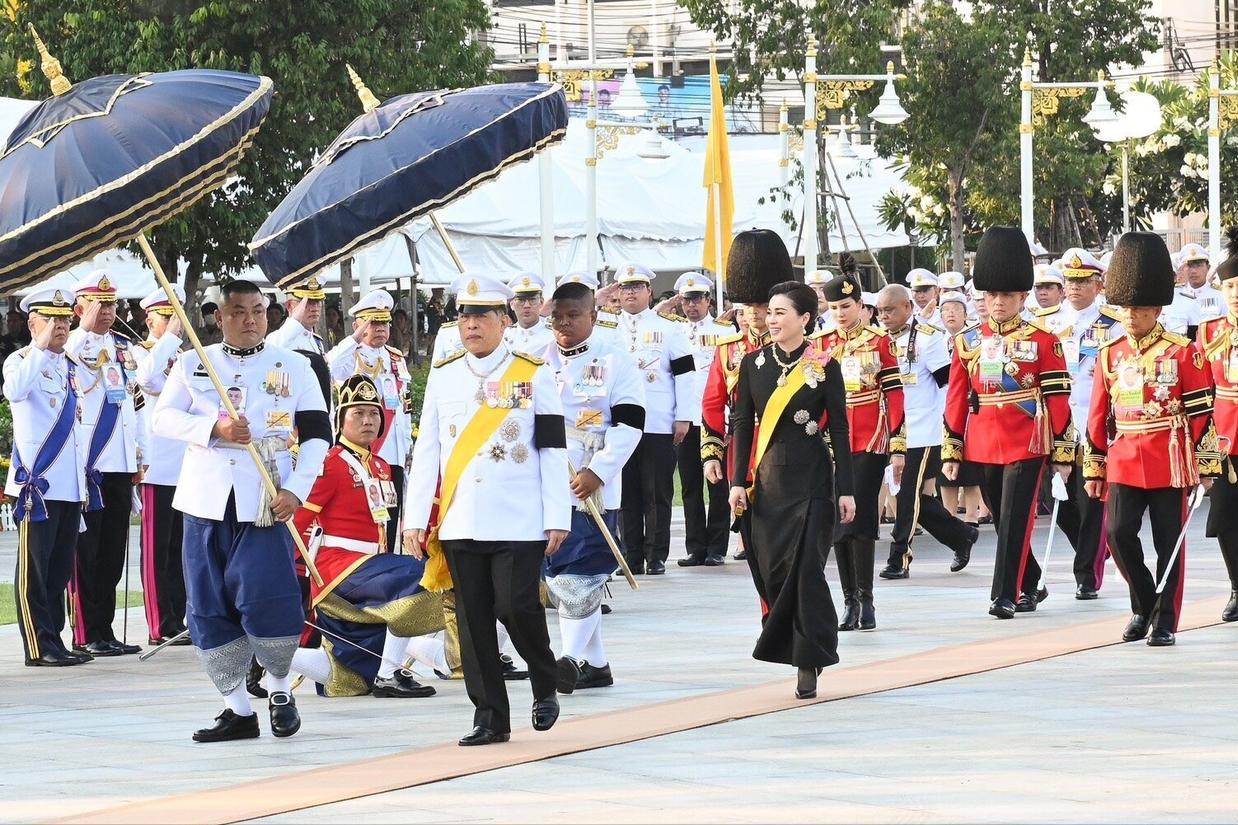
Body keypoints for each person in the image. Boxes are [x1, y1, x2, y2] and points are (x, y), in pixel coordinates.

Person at [154, 280, 331, 742]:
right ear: (219, 317)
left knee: (267, 596)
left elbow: (316, 435)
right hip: (205, 500)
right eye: (238, 311)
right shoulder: (195, 362)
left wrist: (296, 489)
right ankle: (236, 708)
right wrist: (214, 426)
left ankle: (277, 691)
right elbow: (163, 418)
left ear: (269, 315)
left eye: (257, 310)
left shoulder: (295, 365)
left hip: (265, 501)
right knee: (207, 603)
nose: (250, 320)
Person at [403, 273, 570, 747]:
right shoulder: (445, 371)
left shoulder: (532, 371)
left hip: (518, 514)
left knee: (515, 605)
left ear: (503, 319)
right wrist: (416, 519)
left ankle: (543, 680)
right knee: (473, 621)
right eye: (463, 315)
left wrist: (558, 515)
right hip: (460, 517)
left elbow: (552, 448)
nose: (470, 324)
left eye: (480, 315)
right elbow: (429, 451)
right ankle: (490, 716)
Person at [1083, 232, 1221, 647]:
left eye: (1139, 308)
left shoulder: (1183, 352)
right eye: (1126, 308)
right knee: (1118, 535)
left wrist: (1207, 464)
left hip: (1169, 456)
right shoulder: (1110, 353)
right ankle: (1144, 602)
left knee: (1169, 545)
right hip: (1124, 454)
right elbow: (1097, 416)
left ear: (1157, 308)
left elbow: (1201, 412)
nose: (1131, 316)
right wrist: (1095, 466)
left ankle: (1165, 621)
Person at [727, 281, 855, 700]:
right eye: (771, 312)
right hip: (767, 485)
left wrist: (847, 490)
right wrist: (736, 483)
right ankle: (793, 642)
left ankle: (808, 657)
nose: (772, 319)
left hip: (813, 482)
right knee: (775, 572)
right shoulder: (752, 364)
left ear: (805, 319)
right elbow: (743, 424)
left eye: (782, 312)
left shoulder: (824, 364)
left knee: (807, 571)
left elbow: (839, 426)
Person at [942, 227, 1075, 620]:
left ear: (1022, 297)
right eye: (991, 295)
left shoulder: (1044, 340)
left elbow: (1057, 401)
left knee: (1017, 519)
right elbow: (955, 400)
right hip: (983, 440)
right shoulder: (968, 342)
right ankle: (1032, 581)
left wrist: (1063, 453)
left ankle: (1004, 594)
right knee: (1002, 521)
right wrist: (952, 448)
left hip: (1027, 439)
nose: (998, 302)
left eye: (1006, 296)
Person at [286, 374, 440, 698]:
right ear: (340, 419)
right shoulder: (329, 464)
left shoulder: (382, 466)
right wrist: (291, 572)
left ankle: (267, 651)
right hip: (338, 567)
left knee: (349, 679)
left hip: (371, 566)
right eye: (358, 413)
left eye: (373, 413)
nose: (368, 421)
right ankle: (390, 672)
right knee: (423, 574)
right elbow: (299, 521)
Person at [543, 281, 644, 692]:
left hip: (591, 483)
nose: (564, 324)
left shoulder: (615, 358)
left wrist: (598, 471)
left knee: (579, 573)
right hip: (548, 481)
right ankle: (596, 663)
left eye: (573, 316)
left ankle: (569, 660)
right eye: (558, 317)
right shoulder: (535, 359)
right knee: (557, 574)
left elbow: (631, 422)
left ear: (593, 316)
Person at [814, 270, 905, 631]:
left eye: (846, 306)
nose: (839, 313)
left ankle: (866, 599)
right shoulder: (819, 344)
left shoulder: (879, 342)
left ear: (861, 306)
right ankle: (848, 599)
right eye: (834, 306)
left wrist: (897, 442)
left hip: (869, 436)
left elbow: (895, 394)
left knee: (862, 517)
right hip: (830, 441)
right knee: (838, 521)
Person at [7, 287, 91, 666]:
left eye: (65, 319)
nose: (60, 326)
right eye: (52, 319)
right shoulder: (20, 361)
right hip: (36, 486)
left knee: (58, 569)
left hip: (69, 484)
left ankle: (55, 639)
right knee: (34, 571)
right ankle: (38, 646)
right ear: (33, 323)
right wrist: (40, 346)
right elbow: (16, 390)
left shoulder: (70, 366)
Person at [64, 271, 145, 657]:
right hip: (89, 464)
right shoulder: (73, 347)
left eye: (112, 304)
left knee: (112, 551)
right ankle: (86, 631)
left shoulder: (124, 348)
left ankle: (105, 629)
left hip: (119, 462)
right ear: (80, 308)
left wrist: (137, 455)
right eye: (100, 304)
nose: (108, 311)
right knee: (87, 552)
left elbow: (131, 404)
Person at [874, 285, 978, 579]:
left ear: (908, 307)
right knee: (917, 497)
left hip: (922, 430)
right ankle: (961, 536)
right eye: (880, 311)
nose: (885, 316)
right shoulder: (878, 340)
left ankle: (899, 558)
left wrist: (947, 429)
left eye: (890, 310)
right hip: (889, 428)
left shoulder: (928, 340)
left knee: (908, 495)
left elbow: (949, 385)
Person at [614, 263, 698, 575]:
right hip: (621, 423)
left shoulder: (669, 328)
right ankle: (631, 556)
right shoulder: (609, 329)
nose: (630, 292)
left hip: (658, 421)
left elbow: (686, 375)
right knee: (626, 494)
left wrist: (684, 416)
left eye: (636, 287)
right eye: (625, 287)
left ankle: (656, 555)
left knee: (657, 491)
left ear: (649, 291)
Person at [1055, 248, 1123, 599]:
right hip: (1056, 425)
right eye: (1071, 281)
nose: (1075, 287)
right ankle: (1093, 550)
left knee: (1091, 501)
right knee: (1061, 504)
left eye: (1084, 281)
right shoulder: (1049, 323)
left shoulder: (1114, 325)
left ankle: (1086, 575)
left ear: (1099, 285)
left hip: (1095, 424)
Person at [327, 290, 413, 550]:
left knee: (391, 517)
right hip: (363, 451)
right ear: (358, 326)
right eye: (372, 323)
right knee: (364, 518)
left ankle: (389, 562)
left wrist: (407, 443)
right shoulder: (350, 354)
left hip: (393, 452)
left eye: (384, 322)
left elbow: (404, 406)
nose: (380, 329)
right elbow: (329, 367)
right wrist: (352, 339)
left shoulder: (395, 357)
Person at [132, 286, 191, 646]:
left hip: (187, 464)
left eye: (176, 316)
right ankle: (159, 623)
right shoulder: (140, 353)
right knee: (157, 550)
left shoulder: (184, 356)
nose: (171, 323)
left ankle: (181, 616)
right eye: (164, 315)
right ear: (149, 318)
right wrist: (168, 338)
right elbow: (147, 379)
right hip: (158, 464)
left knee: (183, 549)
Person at [672, 273, 732, 567]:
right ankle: (696, 546)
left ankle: (717, 546)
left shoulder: (723, 331)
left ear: (709, 300)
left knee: (717, 483)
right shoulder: (674, 331)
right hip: (686, 417)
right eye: (686, 299)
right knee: (690, 485)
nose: (692, 304)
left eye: (698, 298)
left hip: (715, 418)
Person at [1199, 228, 1238, 622]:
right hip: (1225, 439)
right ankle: (1236, 586)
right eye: (1229, 286)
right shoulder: (1211, 332)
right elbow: (1201, 394)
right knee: (1225, 517)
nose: (1235, 293)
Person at [504, 272, 555, 353]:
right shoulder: (504, 336)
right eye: (521, 300)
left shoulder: (554, 335)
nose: (527, 305)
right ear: (512, 305)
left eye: (532, 300)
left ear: (541, 302)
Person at [1177, 243, 1222, 323]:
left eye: (1199, 265)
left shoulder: (1220, 295)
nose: (1194, 271)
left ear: (1208, 267)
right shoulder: (1175, 295)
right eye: (1189, 266)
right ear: (1183, 269)